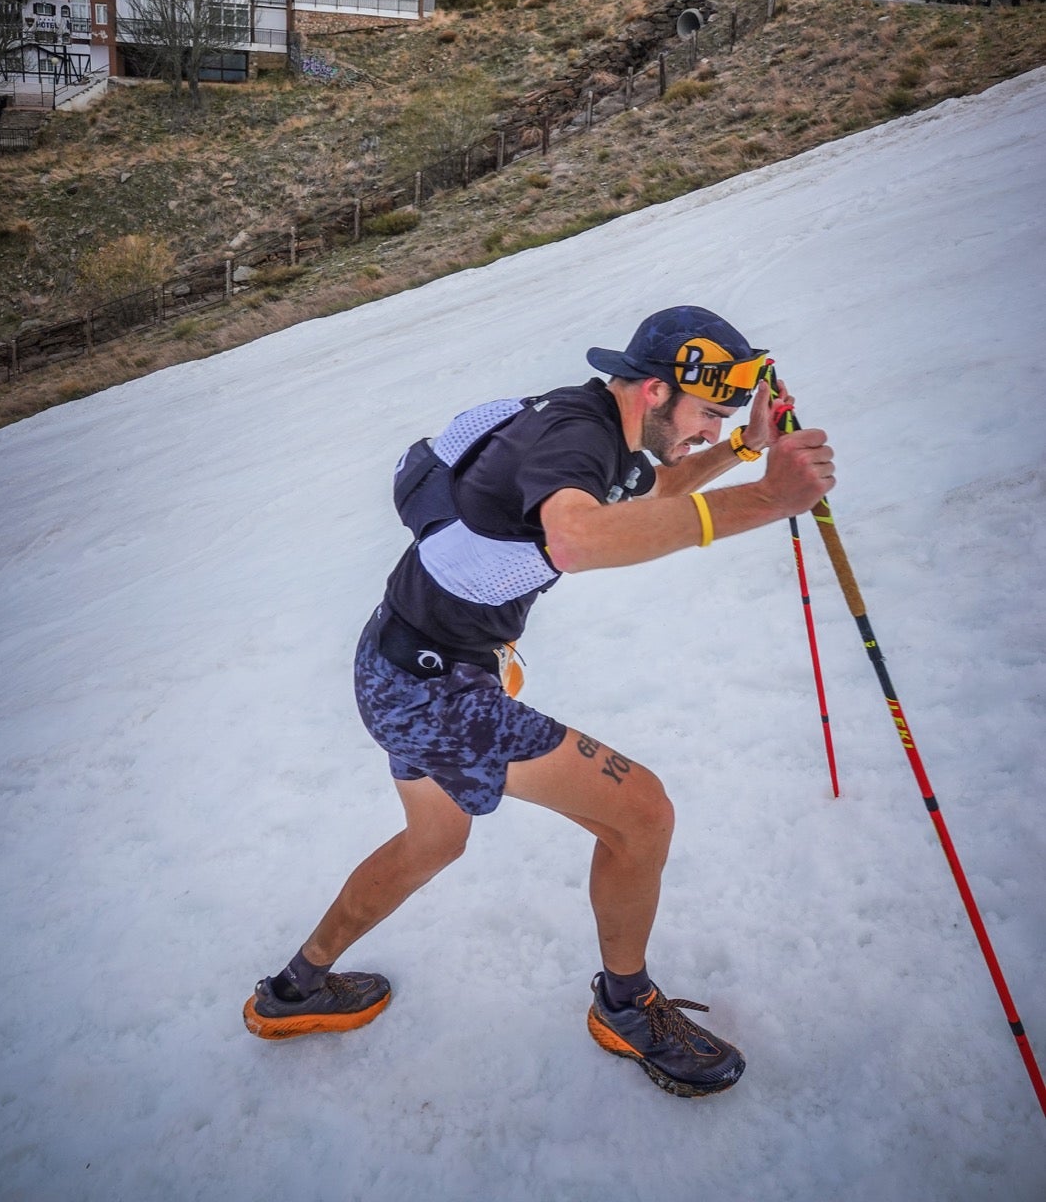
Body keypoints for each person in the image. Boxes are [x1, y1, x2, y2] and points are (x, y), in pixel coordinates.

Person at [244, 306, 836, 1097]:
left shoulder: (598, 420)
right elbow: (577, 540)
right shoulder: (577, 441)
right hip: (436, 689)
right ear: (656, 391)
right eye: (707, 414)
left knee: (433, 843)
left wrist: (742, 449)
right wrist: (767, 501)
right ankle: (626, 1009)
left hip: (395, 660)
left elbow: (648, 490)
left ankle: (292, 991)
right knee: (643, 814)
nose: (707, 431)